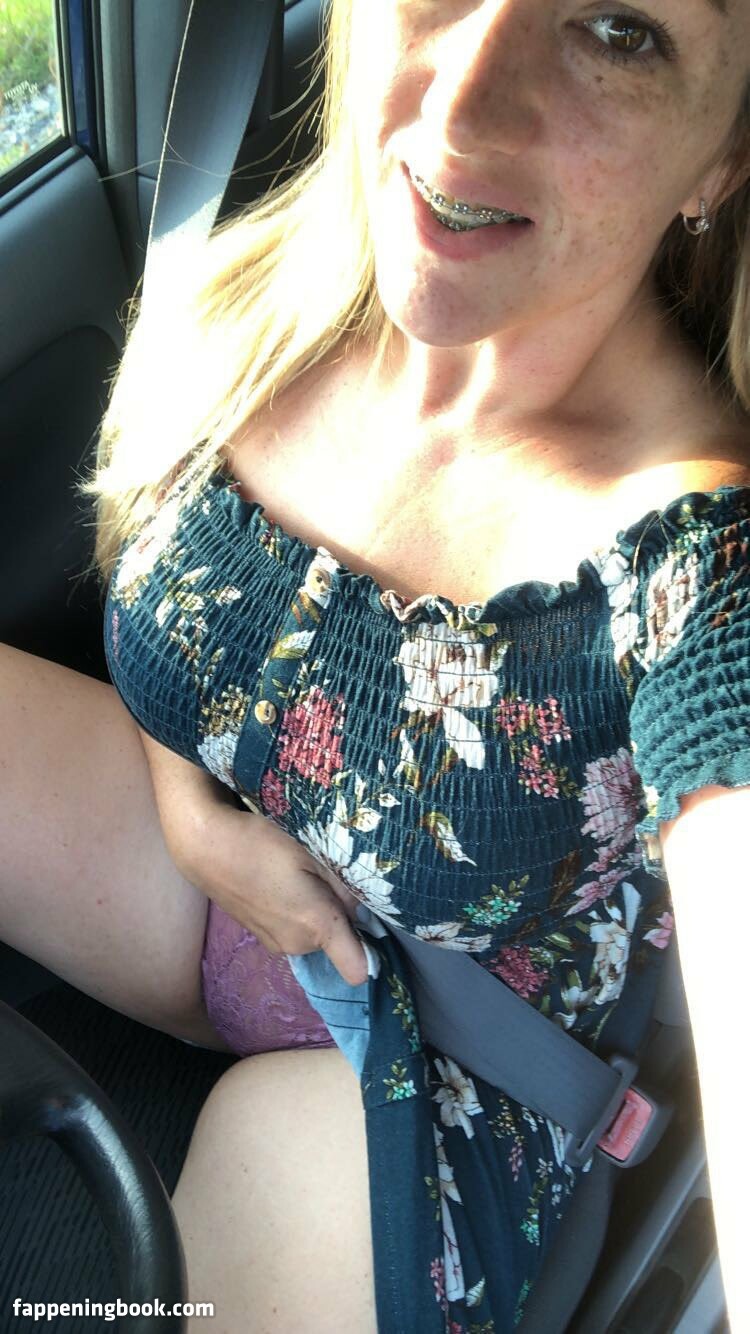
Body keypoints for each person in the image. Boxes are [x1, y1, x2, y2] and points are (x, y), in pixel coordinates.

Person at [3, 0, 750, 1329]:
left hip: (441, 1098)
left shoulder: (699, 568)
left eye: (619, 31)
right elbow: (191, 637)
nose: (459, 104)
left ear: (722, 156)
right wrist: (190, 814)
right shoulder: (259, 299)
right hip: (200, 889)